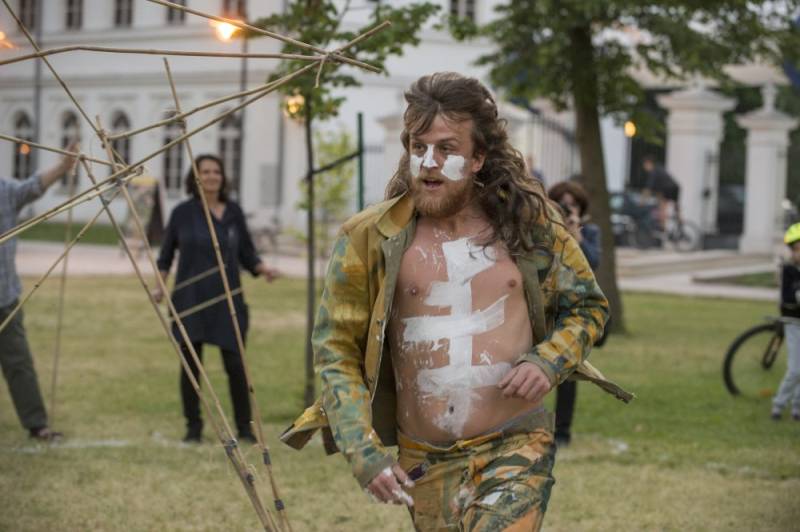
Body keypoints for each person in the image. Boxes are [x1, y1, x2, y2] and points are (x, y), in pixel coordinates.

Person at [281, 73, 632, 530]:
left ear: (478, 158)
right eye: (419, 146)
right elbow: (336, 350)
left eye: (447, 149)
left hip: (515, 445)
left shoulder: (529, 225)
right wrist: (362, 450)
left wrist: (548, 362)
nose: (429, 162)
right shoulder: (369, 238)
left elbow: (588, 306)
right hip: (425, 461)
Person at [154, 154, 279, 443]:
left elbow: (247, 254)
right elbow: (165, 256)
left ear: (223, 177)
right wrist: (159, 287)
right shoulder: (182, 213)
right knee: (191, 365)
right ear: (195, 177)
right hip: (191, 299)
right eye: (206, 171)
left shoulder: (233, 212)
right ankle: (193, 428)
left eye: (216, 172)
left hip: (227, 301)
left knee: (236, 365)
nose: (212, 176)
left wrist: (264, 269)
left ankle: (245, 429)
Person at [1, 144, 77, 442]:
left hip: (4, 298)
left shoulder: (6, 191)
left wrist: (63, 166)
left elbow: (34, 186)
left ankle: (37, 424)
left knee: (19, 363)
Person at [547, 179, 603, 447]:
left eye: (572, 205)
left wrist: (575, 234)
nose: (567, 208)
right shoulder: (543, 228)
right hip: (548, 306)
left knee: (568, 370)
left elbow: (593, 262)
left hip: (572, 310)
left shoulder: (589, 231)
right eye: (562, 204)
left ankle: (562, 431)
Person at [772, 223, 800, 421]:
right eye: (797, 249)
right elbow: (787, 298)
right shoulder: (789, 270)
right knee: (796, 369)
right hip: (794, 323)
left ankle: (797, 407)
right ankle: (779, 404)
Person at [641, 154, 680, 231]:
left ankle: (663, 227)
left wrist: (642, 201)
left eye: (645, 166)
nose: (644, 168)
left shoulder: (653, 172)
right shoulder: (659, 168)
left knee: (662, 207)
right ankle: (681, 222)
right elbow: (659, 188)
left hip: (668, 188)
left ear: (648, 163)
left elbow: (648, 189)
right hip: (675, 187)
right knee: (674, 206)